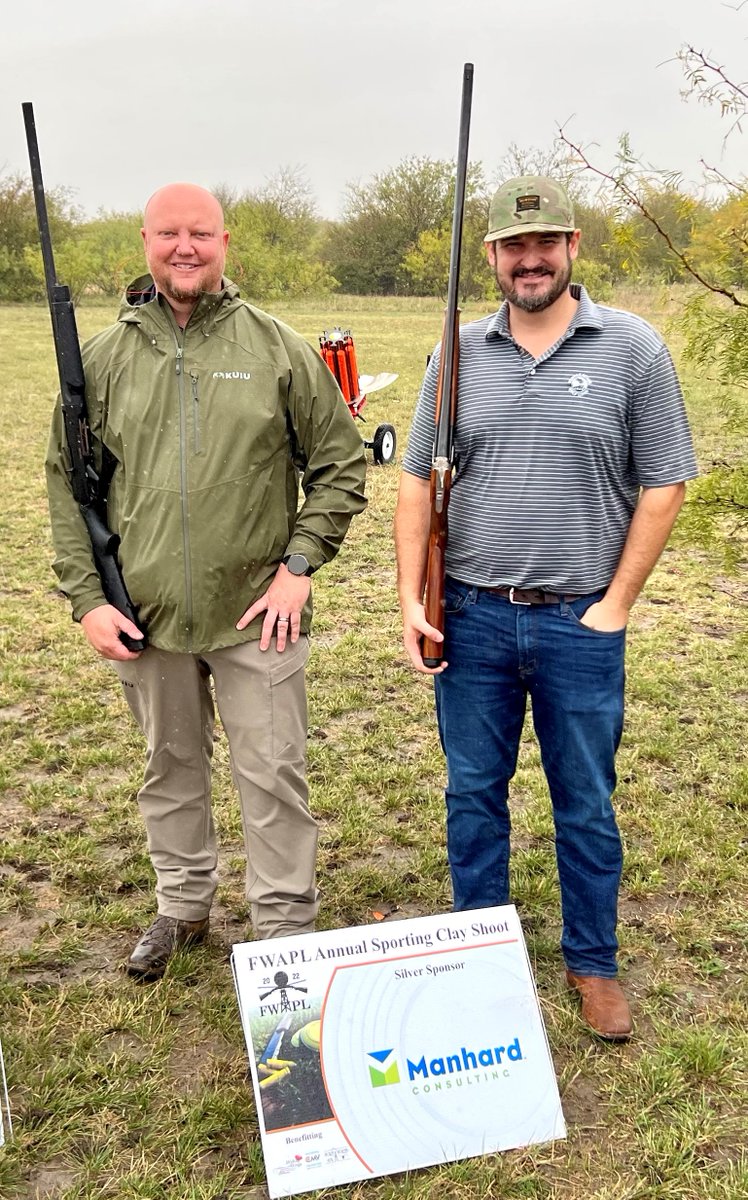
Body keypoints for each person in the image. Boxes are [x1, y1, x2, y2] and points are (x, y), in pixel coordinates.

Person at [394, 175, 697, 1040]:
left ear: (572, 248)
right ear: (492, 256)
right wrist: (412, 599)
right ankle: (477, 954)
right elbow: (415, 481)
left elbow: (666, 482)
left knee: (586, 802)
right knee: (472, 795)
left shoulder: (632, 348)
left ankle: (592, 963)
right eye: (514, 247)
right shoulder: (456, 353)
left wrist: (616, 605)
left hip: (580, 623)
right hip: (472, 616)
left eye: (546, 244)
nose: (530, 261)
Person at [46, 183, 367, 980]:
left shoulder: (276, 348)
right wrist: (88, 601)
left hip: (258, 614)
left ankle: (284, 930)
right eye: (168, 234)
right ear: (145, 242)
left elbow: (340, 466)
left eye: (200, 233)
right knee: (170, 767)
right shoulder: (102, 360)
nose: (184, 247)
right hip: (145, 615)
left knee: (273, 775)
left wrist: (298, 569)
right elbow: (66, 486)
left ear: (225, 242)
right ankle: (183, 906)